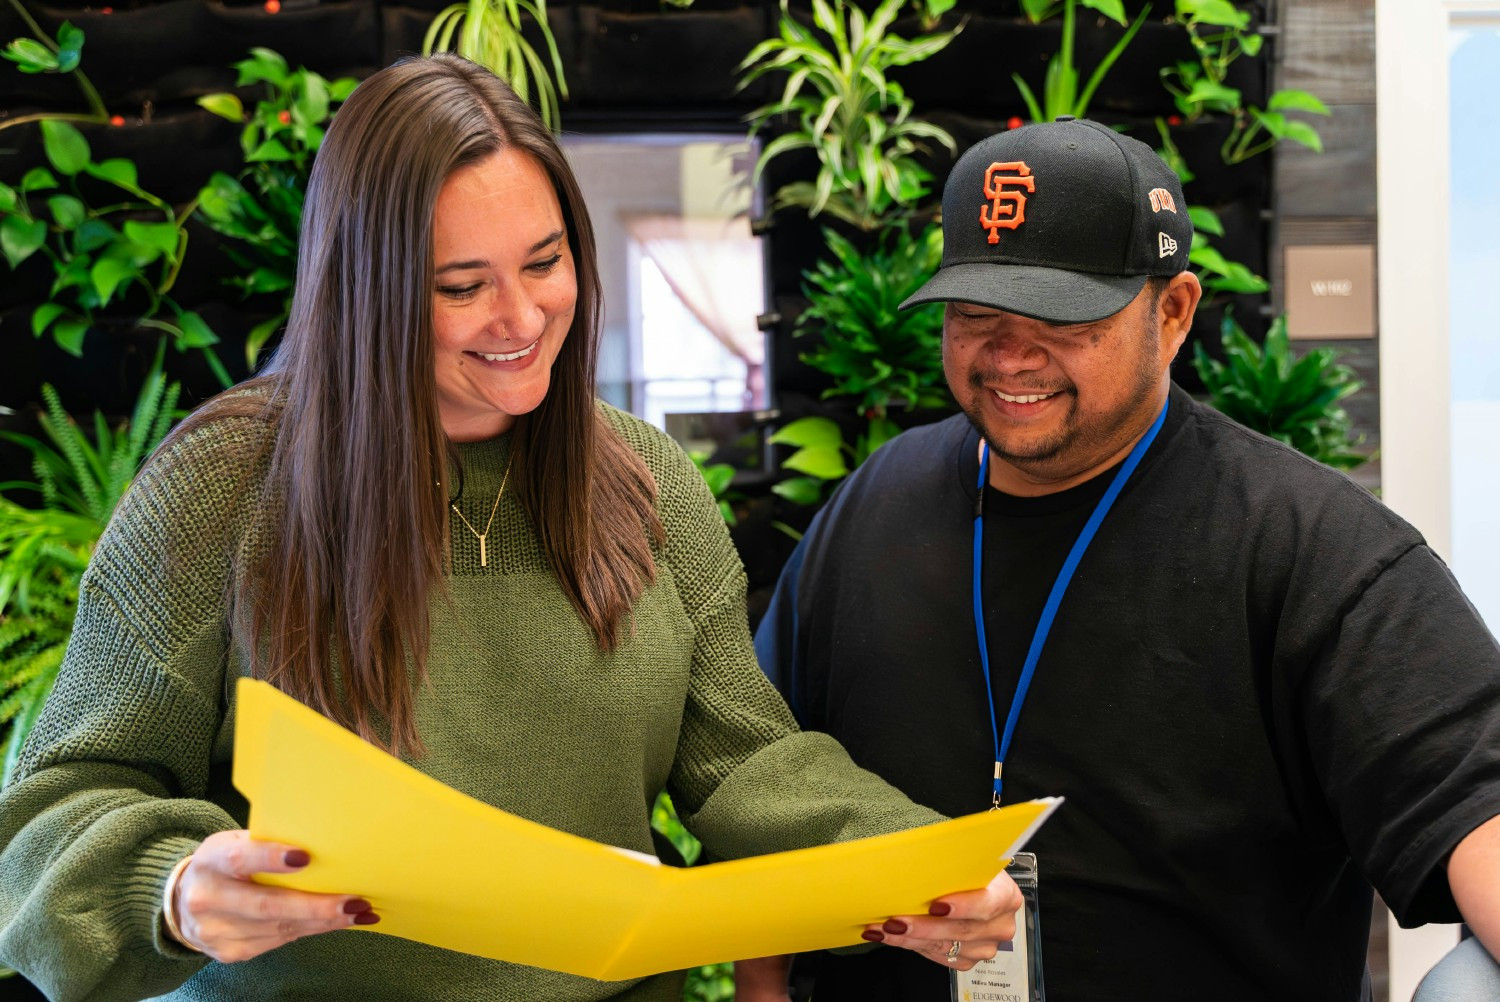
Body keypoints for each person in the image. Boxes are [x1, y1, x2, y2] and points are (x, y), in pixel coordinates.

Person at [0, 54, 1025, 1002]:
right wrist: (173, 885)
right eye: (460, 287)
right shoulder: (223, 488)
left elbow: (748, 764)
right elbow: (53, 811)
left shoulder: (643, 477)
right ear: (367, 288)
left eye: (545, 263)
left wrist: (921, 865)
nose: (522, 319)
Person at [747, 117, 1500, 1001]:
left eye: (1063, 319)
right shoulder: (877, 501)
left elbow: (1474, 806)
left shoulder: (1310, 547)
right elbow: (765, 778)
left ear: (1173, 312)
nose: (1011, 356)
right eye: (977, 315)